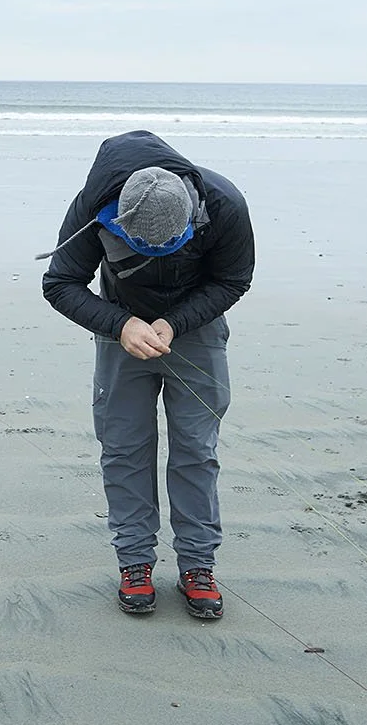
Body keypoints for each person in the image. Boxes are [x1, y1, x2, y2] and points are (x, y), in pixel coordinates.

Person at [40, 131, 254, 618]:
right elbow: (60, 283)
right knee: (124, 446)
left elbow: (234, 278)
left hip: (196, 328)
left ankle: (198, 565)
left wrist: (174, 323)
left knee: (196, 450)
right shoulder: (92, 206)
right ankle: (134, 561)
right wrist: (122, 324)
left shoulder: (225, 204)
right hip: (123, 331)